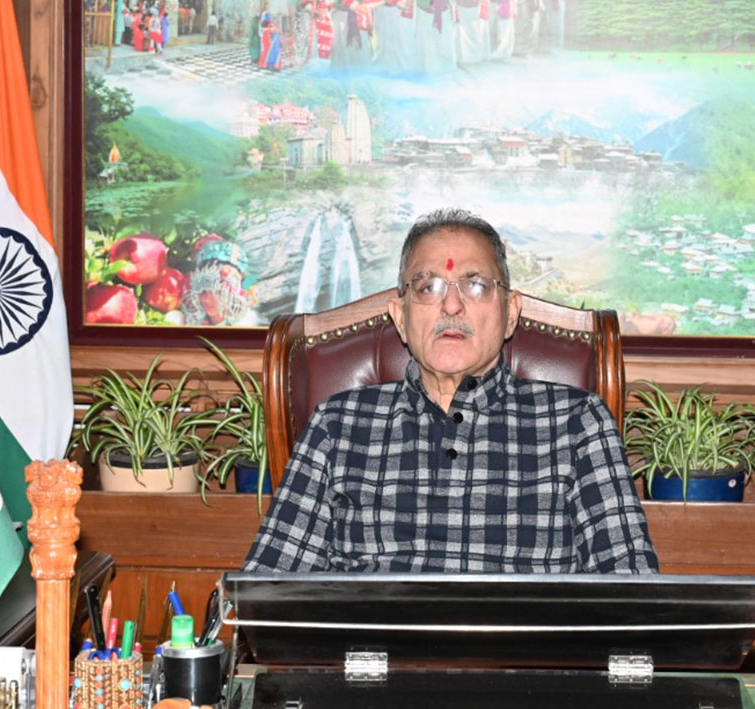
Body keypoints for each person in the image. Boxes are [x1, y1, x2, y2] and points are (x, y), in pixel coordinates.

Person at [243, 209, 659, 573]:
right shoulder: (338, 424)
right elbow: (270, 588)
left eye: (475, 285)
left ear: (511, 313)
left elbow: (631, 590)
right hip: (374, 657)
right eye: (428, 287)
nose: (452, 307)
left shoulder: (576, 422)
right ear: (400, 317)